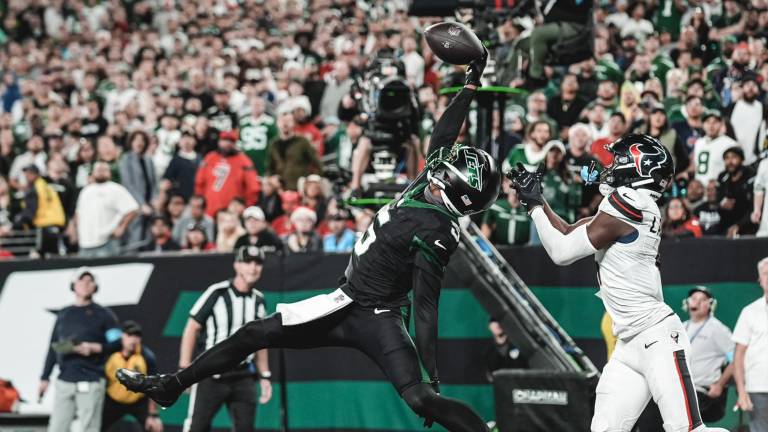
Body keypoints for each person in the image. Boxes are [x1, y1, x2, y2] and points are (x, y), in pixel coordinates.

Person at [117, 52, 501, 432]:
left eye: (446, 170)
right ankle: (172, 386)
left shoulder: (437, 229)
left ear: (451, 189)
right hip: (345, 301)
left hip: (379, 315)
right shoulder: (430, 190)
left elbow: (427, 306)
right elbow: (443, 134)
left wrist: (431, 375)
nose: (438, 167)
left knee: (421, 399)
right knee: (254, 333)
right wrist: (470, 85)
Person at [508, 133, 727, 432]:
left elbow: (562, 252)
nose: (610, 165)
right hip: (629, 343)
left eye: (618, 160)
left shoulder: (629, 201)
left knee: (687, 430)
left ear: (637, 167)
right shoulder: (634, 204)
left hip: (656, 336)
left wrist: (534, 207)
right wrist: (538, 200)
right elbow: (569, 231)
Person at [178, 246, 272, 432]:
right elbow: (192, 327)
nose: (253, 267)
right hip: (211, 374)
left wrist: (265, 375)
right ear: (237, 265)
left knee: (246, 428)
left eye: (258, 263)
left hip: (243, 375)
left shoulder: (259, 300)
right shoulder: (217, 292)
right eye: (247, 262)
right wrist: (184, 370)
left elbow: (260, 340)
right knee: (197, 427)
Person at [40, 267, 122, 432]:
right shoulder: (64, 314)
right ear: (73, 285)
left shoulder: (104, 314)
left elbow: (118, 343)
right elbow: (54, 347)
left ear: (95, 287)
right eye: (81, 280)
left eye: (90, 281)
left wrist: (96, 348)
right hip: (65, 379)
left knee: (89, 428)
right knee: (57, 428)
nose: (85, 284)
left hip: (91, 379)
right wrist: (44, 377)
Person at [681, 287, 734, 423]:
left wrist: (720, 384)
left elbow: (735, 359)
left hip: (702, 393)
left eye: (702, 300)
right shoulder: (681, 327)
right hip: (680, 389)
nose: (697, 302)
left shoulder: (717, 329)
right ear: (687, 303)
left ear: (711, 305)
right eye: (694, 299)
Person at [102, 321, 162, 432]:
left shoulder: (147, 357)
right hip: (112, 401)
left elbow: (154, 386)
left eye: (137, 336)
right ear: (122, 336)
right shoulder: (110, 353)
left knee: (154, 427)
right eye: (129, 335)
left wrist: (153, 414)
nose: (133, 340)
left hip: (138, 402)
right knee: (96, 425)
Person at [72, 161, 139, 257]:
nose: (101, 172)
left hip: (107, 242)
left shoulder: (116, 189)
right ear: (93, 173)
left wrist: (121, 227)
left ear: (109, 173)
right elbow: (78, 213)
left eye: (104, 170)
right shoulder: (85, 191)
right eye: (98, 170)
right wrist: (75, 230)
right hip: (85, 243)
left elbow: (133, 209)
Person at [733, 257, 768, 432]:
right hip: (758, 389)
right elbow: (738, 355)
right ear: (760, 279)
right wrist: (741, 391)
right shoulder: (749, 312)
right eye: (766, 274)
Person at [195, 130, 261, 217]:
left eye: (231, 141)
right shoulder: (210, 158)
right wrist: (200, 204)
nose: (227, 144)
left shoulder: (244, 161)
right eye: (224, 140)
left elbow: (253, 188)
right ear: (219, 141)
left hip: (232, 213)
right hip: (209, 209)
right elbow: (199, 182)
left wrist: (246, 207)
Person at [12, 164, 66, 255]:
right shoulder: (46, 186)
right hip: (56, 225)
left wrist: (15, 224)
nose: (27, 175)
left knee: (42, 258)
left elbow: (30, 212)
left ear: (36, 174)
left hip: (44, 227)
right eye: (26, 173)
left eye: (30, 173)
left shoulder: (34, 189)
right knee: (54, 256)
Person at [691, 111, 738, 186]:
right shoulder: (699, 142)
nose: (711, 125)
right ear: (703, 124)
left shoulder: (730, 144)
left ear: (721, 124)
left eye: (715, 122)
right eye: (708, 122)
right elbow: (695, 166)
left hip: (719, 187)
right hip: (699, 188)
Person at [481, 178, 531, 246]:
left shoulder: (529, 209)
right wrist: (483, 246)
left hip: (524, 249)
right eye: (506, 181)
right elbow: (486, 230)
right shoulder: (496, 207)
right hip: (500, 248)